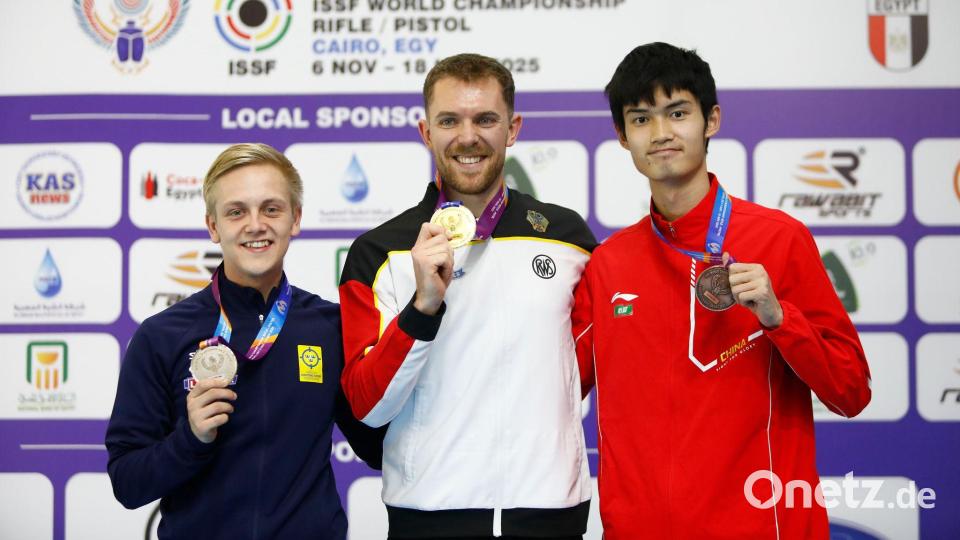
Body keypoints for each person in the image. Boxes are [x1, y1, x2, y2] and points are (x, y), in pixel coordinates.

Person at [572, 43, 872, 539]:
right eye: (641, 119)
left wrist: (781, 319)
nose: (662, 133)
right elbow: (553, 389)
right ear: (622, 137)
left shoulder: (780, 239)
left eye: (677, 112)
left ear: (711, 120)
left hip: (762, 528)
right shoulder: (608, 264)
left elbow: (851, 392)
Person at [339, 53, 596, 539]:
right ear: (425, 132)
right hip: (430, 515)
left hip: (550, 513)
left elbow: (575, 368)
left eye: (486, 119)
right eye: (449, 120)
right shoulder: (379, 252)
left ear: (513, 128)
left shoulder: (568, 239)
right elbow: (367, 406)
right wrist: (422, 309)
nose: (468, 136)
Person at [105, 143, 383, 539]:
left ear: (296, 218)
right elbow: (127, 484)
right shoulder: (160, 336)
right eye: (236, 212)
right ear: (213, 226)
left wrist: (418, 325)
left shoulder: (331, 327)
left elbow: (378, 449)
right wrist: (191, 438)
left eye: (271, 208)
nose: (256, 224)